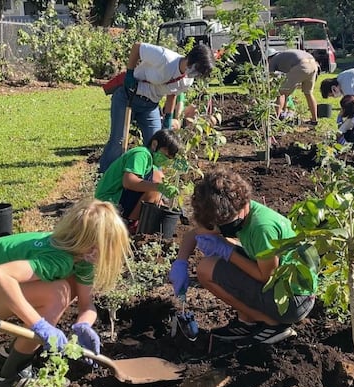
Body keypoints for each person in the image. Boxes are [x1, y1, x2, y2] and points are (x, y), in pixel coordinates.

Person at [0, 198, 130, 387]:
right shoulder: (57, 259)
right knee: (58, 293)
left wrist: (83, 326)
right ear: (92, 247)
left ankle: (10, 355)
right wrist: (39, 325)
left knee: (69, 286)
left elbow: (86, 304)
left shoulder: (77, 255)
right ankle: (9, 379)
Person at [168, 169, 317, 347]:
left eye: (223, 224)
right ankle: (247, 321)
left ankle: (272, 325)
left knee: (206, 269)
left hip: (292, 301)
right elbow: (194, 234)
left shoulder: (262, 228)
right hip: (281, 288)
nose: (219, 229)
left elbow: (266, 277)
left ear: (241, 207)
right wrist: (181, 262)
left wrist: (228, 251)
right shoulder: (234, 211)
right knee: (212, 262)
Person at [99, 42, 215, 173]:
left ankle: (150, 181)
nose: (197, 74)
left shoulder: (187, 81)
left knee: (157, 143)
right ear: (192, 60)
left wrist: (168, 118)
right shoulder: (165, 58)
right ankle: (105, 176)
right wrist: (130, 73)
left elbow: (172, 94)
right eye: (198, 69)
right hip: (128, 97)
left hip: (150, 106)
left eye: (200, 73)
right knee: (118, 141)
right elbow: (137, 47)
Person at [95, 129, 182, 233]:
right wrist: (158, 187)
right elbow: (128, 182)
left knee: (158, 177)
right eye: (166, 156)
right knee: (154, 190)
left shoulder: (149, 160)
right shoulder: (141, 154)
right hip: (108, 201)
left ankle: (132, 221)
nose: (166, 160)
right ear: (154, 145)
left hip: (116, 197)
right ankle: (128, 224)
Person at [268, 48, 319, 126]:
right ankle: (314, 120)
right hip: (313, 64)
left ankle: (276, 119)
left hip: (301, 65)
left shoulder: (274, 59)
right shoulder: (284, 57)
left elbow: (270, 77)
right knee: (308, 93)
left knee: (280, 92)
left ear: (269, 57)